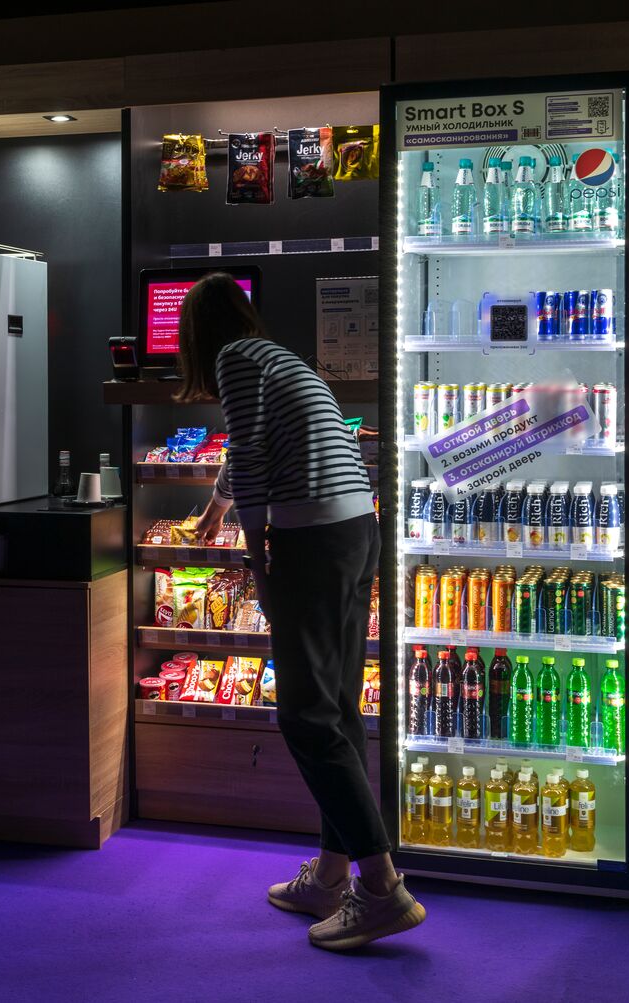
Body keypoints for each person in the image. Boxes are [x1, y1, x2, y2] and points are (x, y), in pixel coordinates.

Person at [181, 273, 425, 950]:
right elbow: (246, 453)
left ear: (196, 334)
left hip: (310, 539)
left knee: (305, 714)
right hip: (354, 529)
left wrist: (258, 564)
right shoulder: (276, 357)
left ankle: (379, 887)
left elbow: (253, 460)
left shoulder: (232, 360)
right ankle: (330, 873)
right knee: (339, 707)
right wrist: (213, 513)